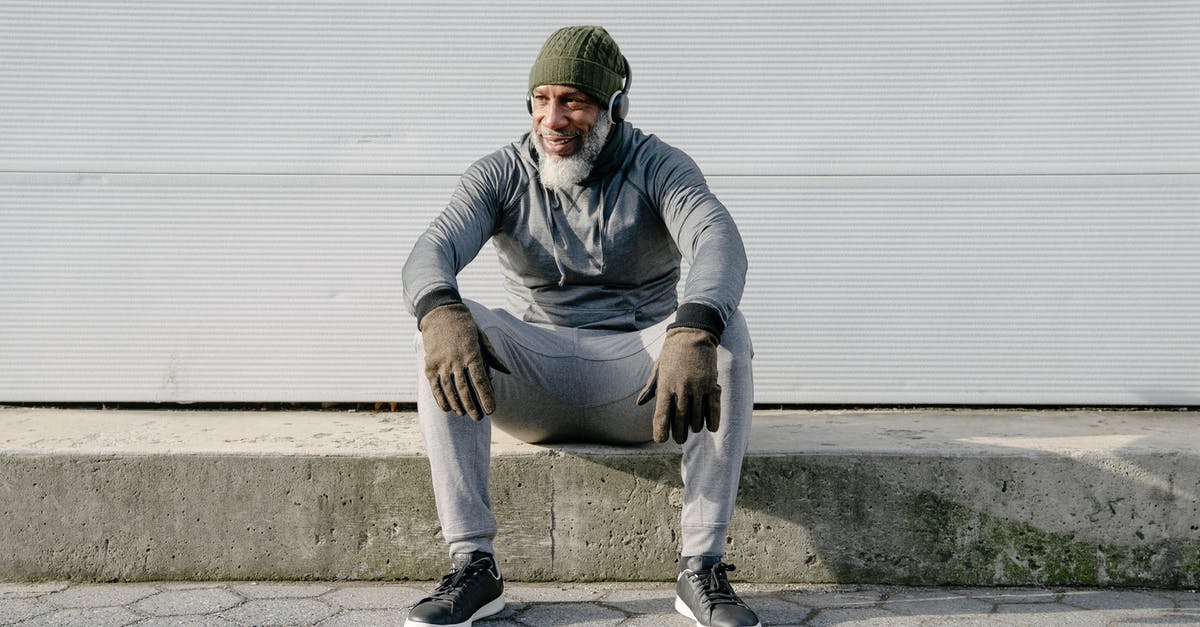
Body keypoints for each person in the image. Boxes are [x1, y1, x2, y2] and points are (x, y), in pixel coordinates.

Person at [401, 25, 759, 627]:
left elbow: (718, 240)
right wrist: (437, 309)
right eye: (542, 99)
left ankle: (702, 568)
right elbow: (430, 250)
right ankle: (473, 568)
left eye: (574, 101)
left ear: (614, 108)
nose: (553, 119)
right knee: (446, 329)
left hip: (643, 387)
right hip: (532, 383)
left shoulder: (657, 164)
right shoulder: (502, 172)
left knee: (726, 333)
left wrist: (692, 330)